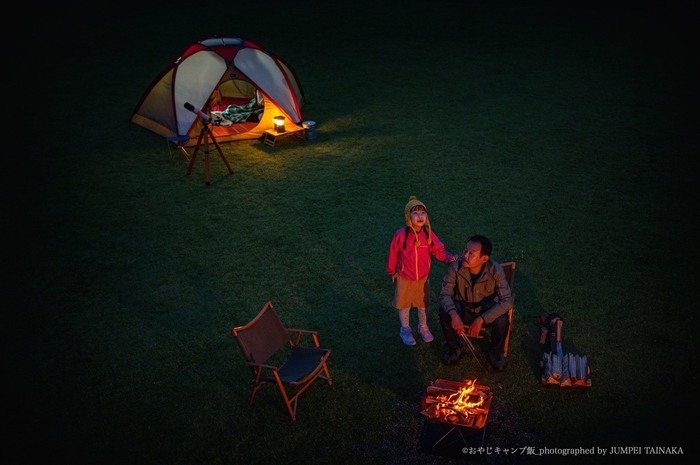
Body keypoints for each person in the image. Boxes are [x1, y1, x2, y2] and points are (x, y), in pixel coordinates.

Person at [387, 196, 458, 346]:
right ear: (408, 216)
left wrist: (448, 258)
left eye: (422, 213)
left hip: (423, 278)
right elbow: (393, 253)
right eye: (415, 213)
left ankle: (423, 326)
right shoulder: (401, 235)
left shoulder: (428, 233)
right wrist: (392, 271)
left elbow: (438, 250)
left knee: (422, 304)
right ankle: (405, 329)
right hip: (404, 276)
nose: (420, 216)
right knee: (404, 304)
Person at [438, 234, 513, 370]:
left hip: (485, 309)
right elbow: (444, 294)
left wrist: (481, 319)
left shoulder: (495, 270)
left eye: (471, 253)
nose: (465, 255)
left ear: (484, 258)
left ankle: (496, 353)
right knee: (445, 311)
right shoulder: (456, 267)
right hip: (463, 308)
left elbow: (507, 301)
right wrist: (454, 315)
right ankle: (455, 349)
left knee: (502, 319)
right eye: (465, 251)